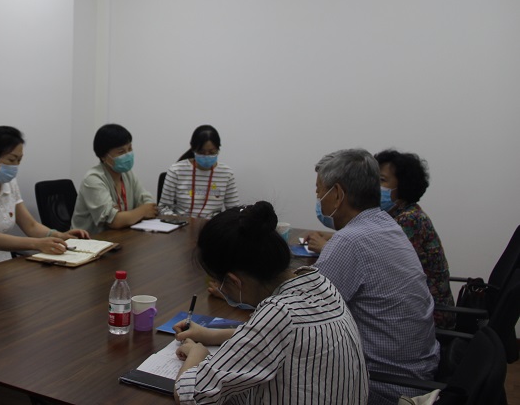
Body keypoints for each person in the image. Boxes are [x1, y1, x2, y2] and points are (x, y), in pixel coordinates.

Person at [173, 201, 368, 404]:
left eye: (219, 282)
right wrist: (211, 335)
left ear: (234, 281)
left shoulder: (278, 314)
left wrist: (197, 355)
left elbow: (189, 395)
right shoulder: (319, 283)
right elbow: (276, 337)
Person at [305, 149, 439, 405]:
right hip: (417, 372)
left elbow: (302, 317)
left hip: (385, 387)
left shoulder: (349, 241)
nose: (319, 199)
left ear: (338, 194)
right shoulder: (387, 225)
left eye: (319, 191)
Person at [0, 126, 90, 268]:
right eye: (11, 160)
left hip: (3, 263)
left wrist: (60, 236)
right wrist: (37, 244)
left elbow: (31, 226)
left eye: (19, 160)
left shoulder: (9, 184)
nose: (15, 166)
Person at [376, 149, 455, 328]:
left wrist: (327, 246)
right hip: (413, 305)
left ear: (403, 185)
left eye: (382, 180)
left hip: (429, 315)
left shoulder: (410, 219)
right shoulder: (397, 214)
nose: (374, 186)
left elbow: (376, 260)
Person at [70, 123, 158, 235]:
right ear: (103, 156)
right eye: (121, 152)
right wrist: (142, 211)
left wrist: (131, 215)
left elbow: (148, 203)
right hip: (90, 241)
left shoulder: (127, 174)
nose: (128, 155)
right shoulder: (93, 179)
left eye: (130, 148)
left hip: (120, 236)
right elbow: (114, 221)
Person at [158, 124, 239, 217]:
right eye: (201, 152)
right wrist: (178, 221)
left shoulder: (226, 173)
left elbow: (234, 211)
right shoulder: (176, 171)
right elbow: (163, 208)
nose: (206, 156)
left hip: (212, 224)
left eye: (212, 152)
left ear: (218, 149)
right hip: (182, 223)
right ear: (193, 149)